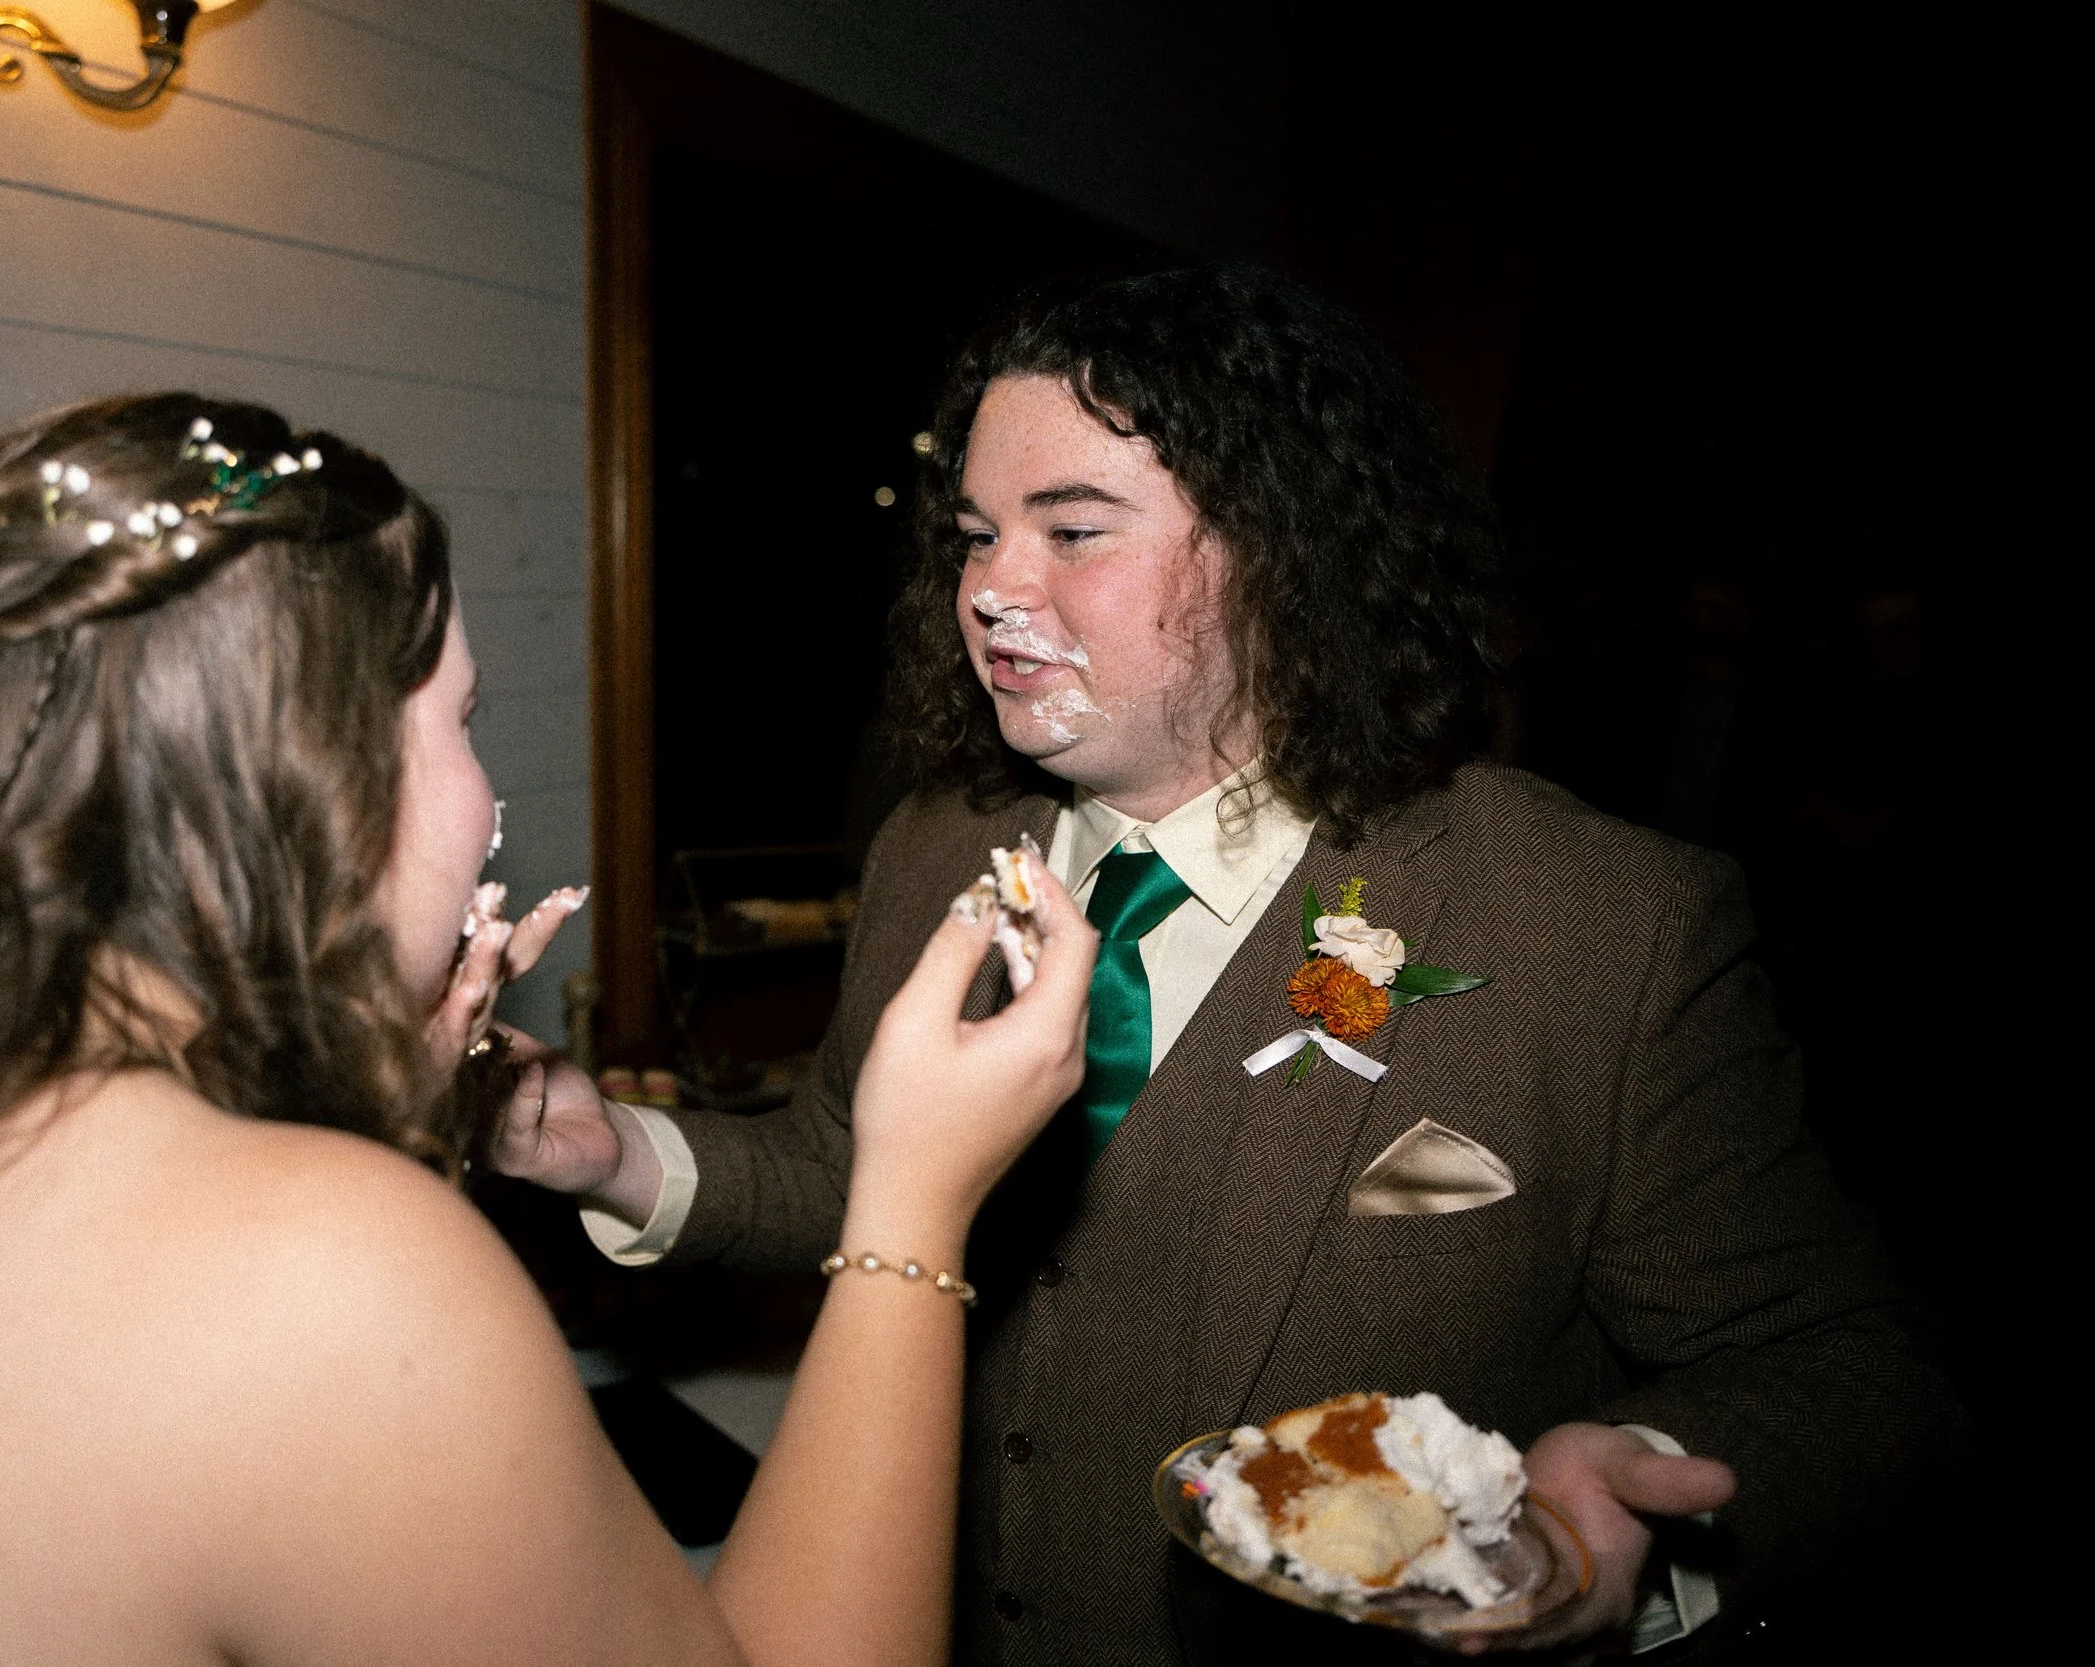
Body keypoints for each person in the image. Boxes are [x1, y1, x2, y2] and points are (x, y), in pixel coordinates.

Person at [491, 267, 1963, 1661]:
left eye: (1072, 530)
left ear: (1284, 551)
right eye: (973, 533)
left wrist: (1628, 1493)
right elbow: (847, 1172)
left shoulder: (1599, 926)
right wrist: (608, 1149)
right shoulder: (936, 848)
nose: (993, 589)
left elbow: (1851, 1367)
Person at [0, 392, 1098, 1665]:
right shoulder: (319, 1267)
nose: (480, 794)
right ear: (307, 772)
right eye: (459, 720)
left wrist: (381, 1136)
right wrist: (915, 1198)